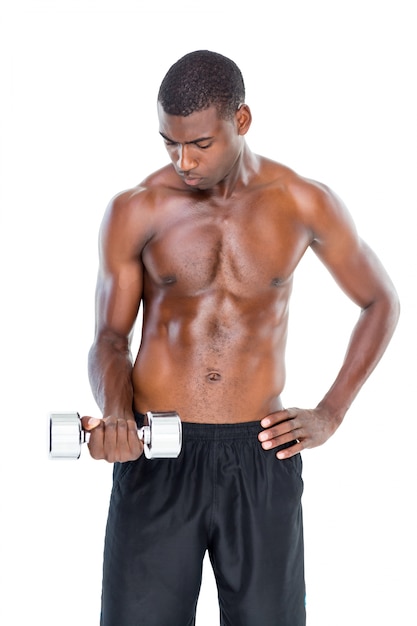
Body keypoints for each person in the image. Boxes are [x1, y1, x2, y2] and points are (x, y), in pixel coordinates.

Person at [84, 50, 400, 626]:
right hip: (159, 451)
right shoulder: (137, 208)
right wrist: (116, 412)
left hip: (261, 453)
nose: (183, 161)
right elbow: (109, 334)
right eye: (169, 144)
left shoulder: (304, 202)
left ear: (242, 121)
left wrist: (331, 412)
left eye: (200, 144)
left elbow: (381, 301)